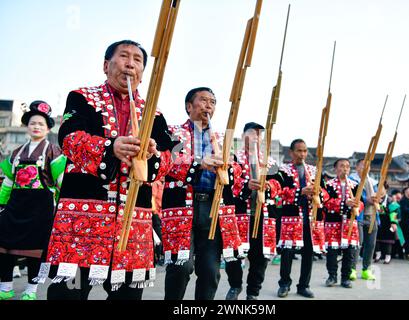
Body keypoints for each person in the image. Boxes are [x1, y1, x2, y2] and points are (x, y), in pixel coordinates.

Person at [40, 40, 175, 300]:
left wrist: (151, 156)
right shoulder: (81, 97)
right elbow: (68, 137)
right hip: (84, 212)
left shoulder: (154, 113)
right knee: (70, 291)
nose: (130, 63)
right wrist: (111, 147)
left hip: (134, 215)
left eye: (137, 60)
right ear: (105, 65)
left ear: (143, 73)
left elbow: (168, 157)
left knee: (127, 295)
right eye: (124, 56)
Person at [161, 87, 242, 300]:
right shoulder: (172, 132)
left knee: (210, 271)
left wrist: (229, 168)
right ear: (189, 106)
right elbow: (167, 162)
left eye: (213, 102)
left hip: (213, 208)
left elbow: (237, 172)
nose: (209, 106)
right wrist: (198, 163)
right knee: (181, 266)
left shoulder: (223, 139)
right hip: (181, 207)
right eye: (203, 100)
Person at [0, 101, 66, 300]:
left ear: (47, 128)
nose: (36, 126)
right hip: (15, 206)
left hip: (41, 209)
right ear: (26, 126)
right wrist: (2, 204)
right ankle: (5, 287)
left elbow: (62, 182)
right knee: (4, 248)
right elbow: (8, 182)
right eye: (33, 123)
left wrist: (63, 208)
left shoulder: (53, 151)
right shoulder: (16, 152)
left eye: (41, 124)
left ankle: (31, 290)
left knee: (35, 252)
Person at [224, 122, 281, 300]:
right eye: (252, 133)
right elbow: (227, 183)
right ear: (242, 137)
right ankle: (235, 285)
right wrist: (245, 186)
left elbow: (279, 184)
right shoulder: (233, 158)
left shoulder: (269, 161)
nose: (256, 137)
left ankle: (253, 292)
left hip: (263, 215)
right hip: (239, 213)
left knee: (260, 257)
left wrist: (268, 185)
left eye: (259, 134)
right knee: (233, 254)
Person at [276, 139, 325, 299]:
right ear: (291, 152)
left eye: (304, 151)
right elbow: (279, 192)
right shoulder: (282, 171)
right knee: (287, 252)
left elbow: (326, 192)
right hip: (291, 218)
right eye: (299, 151)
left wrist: (318, 193)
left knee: (308, 253)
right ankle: (284, 284)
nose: (302, 154)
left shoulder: (314, 170)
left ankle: (304, 285)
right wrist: (300, 192)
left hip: (311, 219)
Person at [322, 159, 363, 289]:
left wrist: (357, 206)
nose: (345, 169)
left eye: (347, 167)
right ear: (335, 169)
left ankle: (345, 278)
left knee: (349, 252)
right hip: (333, 222)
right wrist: (343, 204)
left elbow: (361, 202)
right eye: (342, 166)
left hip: (350, 223)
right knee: (332, 252)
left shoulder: (355, 185)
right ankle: (332, 276)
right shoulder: (328, 185)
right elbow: (325, 202)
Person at [349, 159, 379, 281]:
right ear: (357, 167)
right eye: (362, 165)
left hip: (372, 216)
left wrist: (378, 199)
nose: (365, 168)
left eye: (368, 166)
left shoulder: (373, 182)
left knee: (371, 245)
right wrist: (367, 200)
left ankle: (366, 269)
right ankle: (352, 269)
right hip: (358, 216)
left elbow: (377, 197)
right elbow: (355, 196)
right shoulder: (352, 180)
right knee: (357, 244)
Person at [375, 189, 403, 264]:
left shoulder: (391, 200)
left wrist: (393, 222)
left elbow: (395, 212)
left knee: (388, 239)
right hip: (378, 222)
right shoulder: (375, 198)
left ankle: (388, 256)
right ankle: (378, 255)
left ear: (386, 190)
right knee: (377, 239)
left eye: (382, 188)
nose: (380, 191)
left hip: (389, 223)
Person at [398, 187, 409, 259]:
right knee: (405, 238)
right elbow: (404, 210)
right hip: (405, 222)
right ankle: (406, 253)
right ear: (406, 192)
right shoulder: (403, 200)